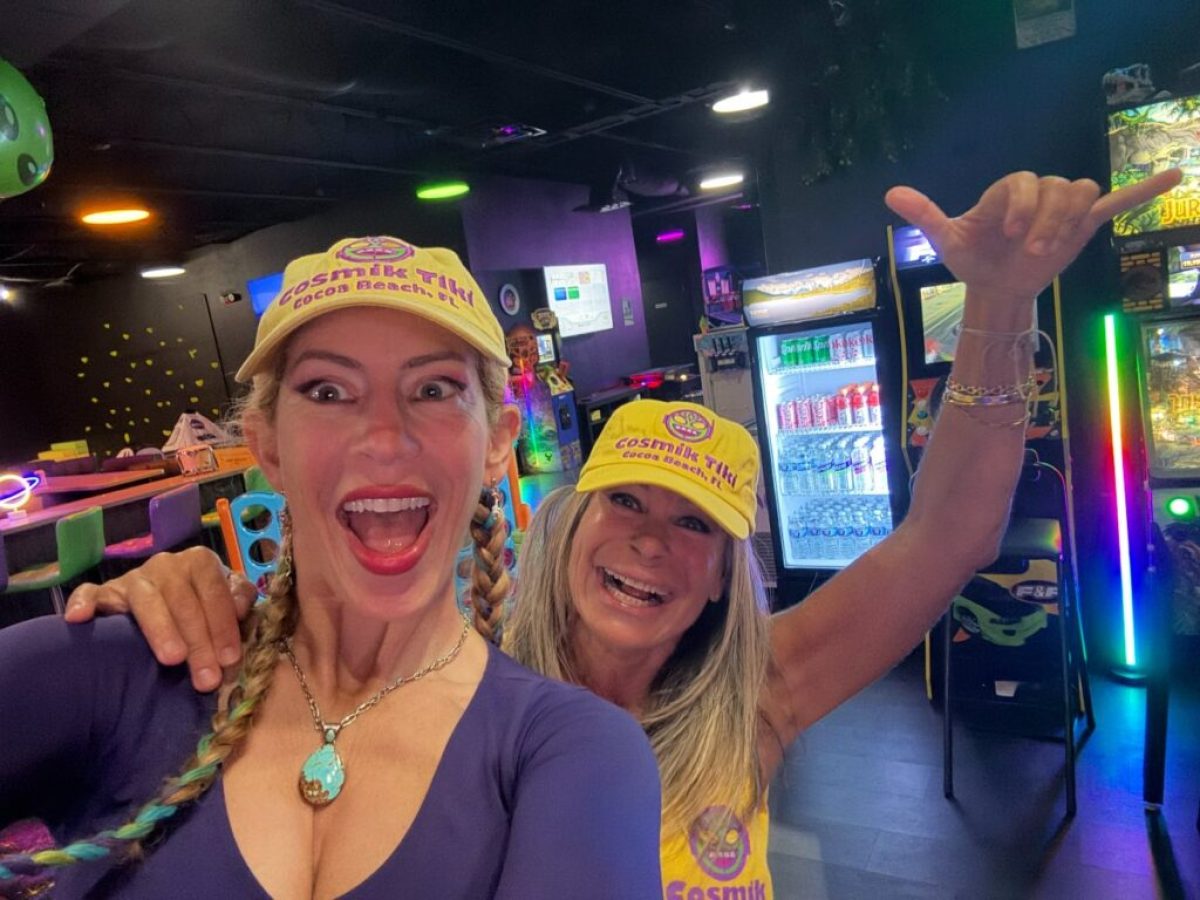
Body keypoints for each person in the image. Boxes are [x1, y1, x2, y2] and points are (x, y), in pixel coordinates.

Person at [58, 169, 1182, 899]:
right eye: (627, 504)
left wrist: (997, 304)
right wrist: (184, 594)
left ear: (720, 586)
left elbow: (949, 536)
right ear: (566, 525)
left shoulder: (762, 696)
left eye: (694, 528)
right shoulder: (451, 678)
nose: (651, 543)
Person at [0, 237, 664, 898]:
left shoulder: (570, 755)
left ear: (496, 443)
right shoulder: (122, 671)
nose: (383, 437)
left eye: (433, 388)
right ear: (268, 447)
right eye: (327, 390)